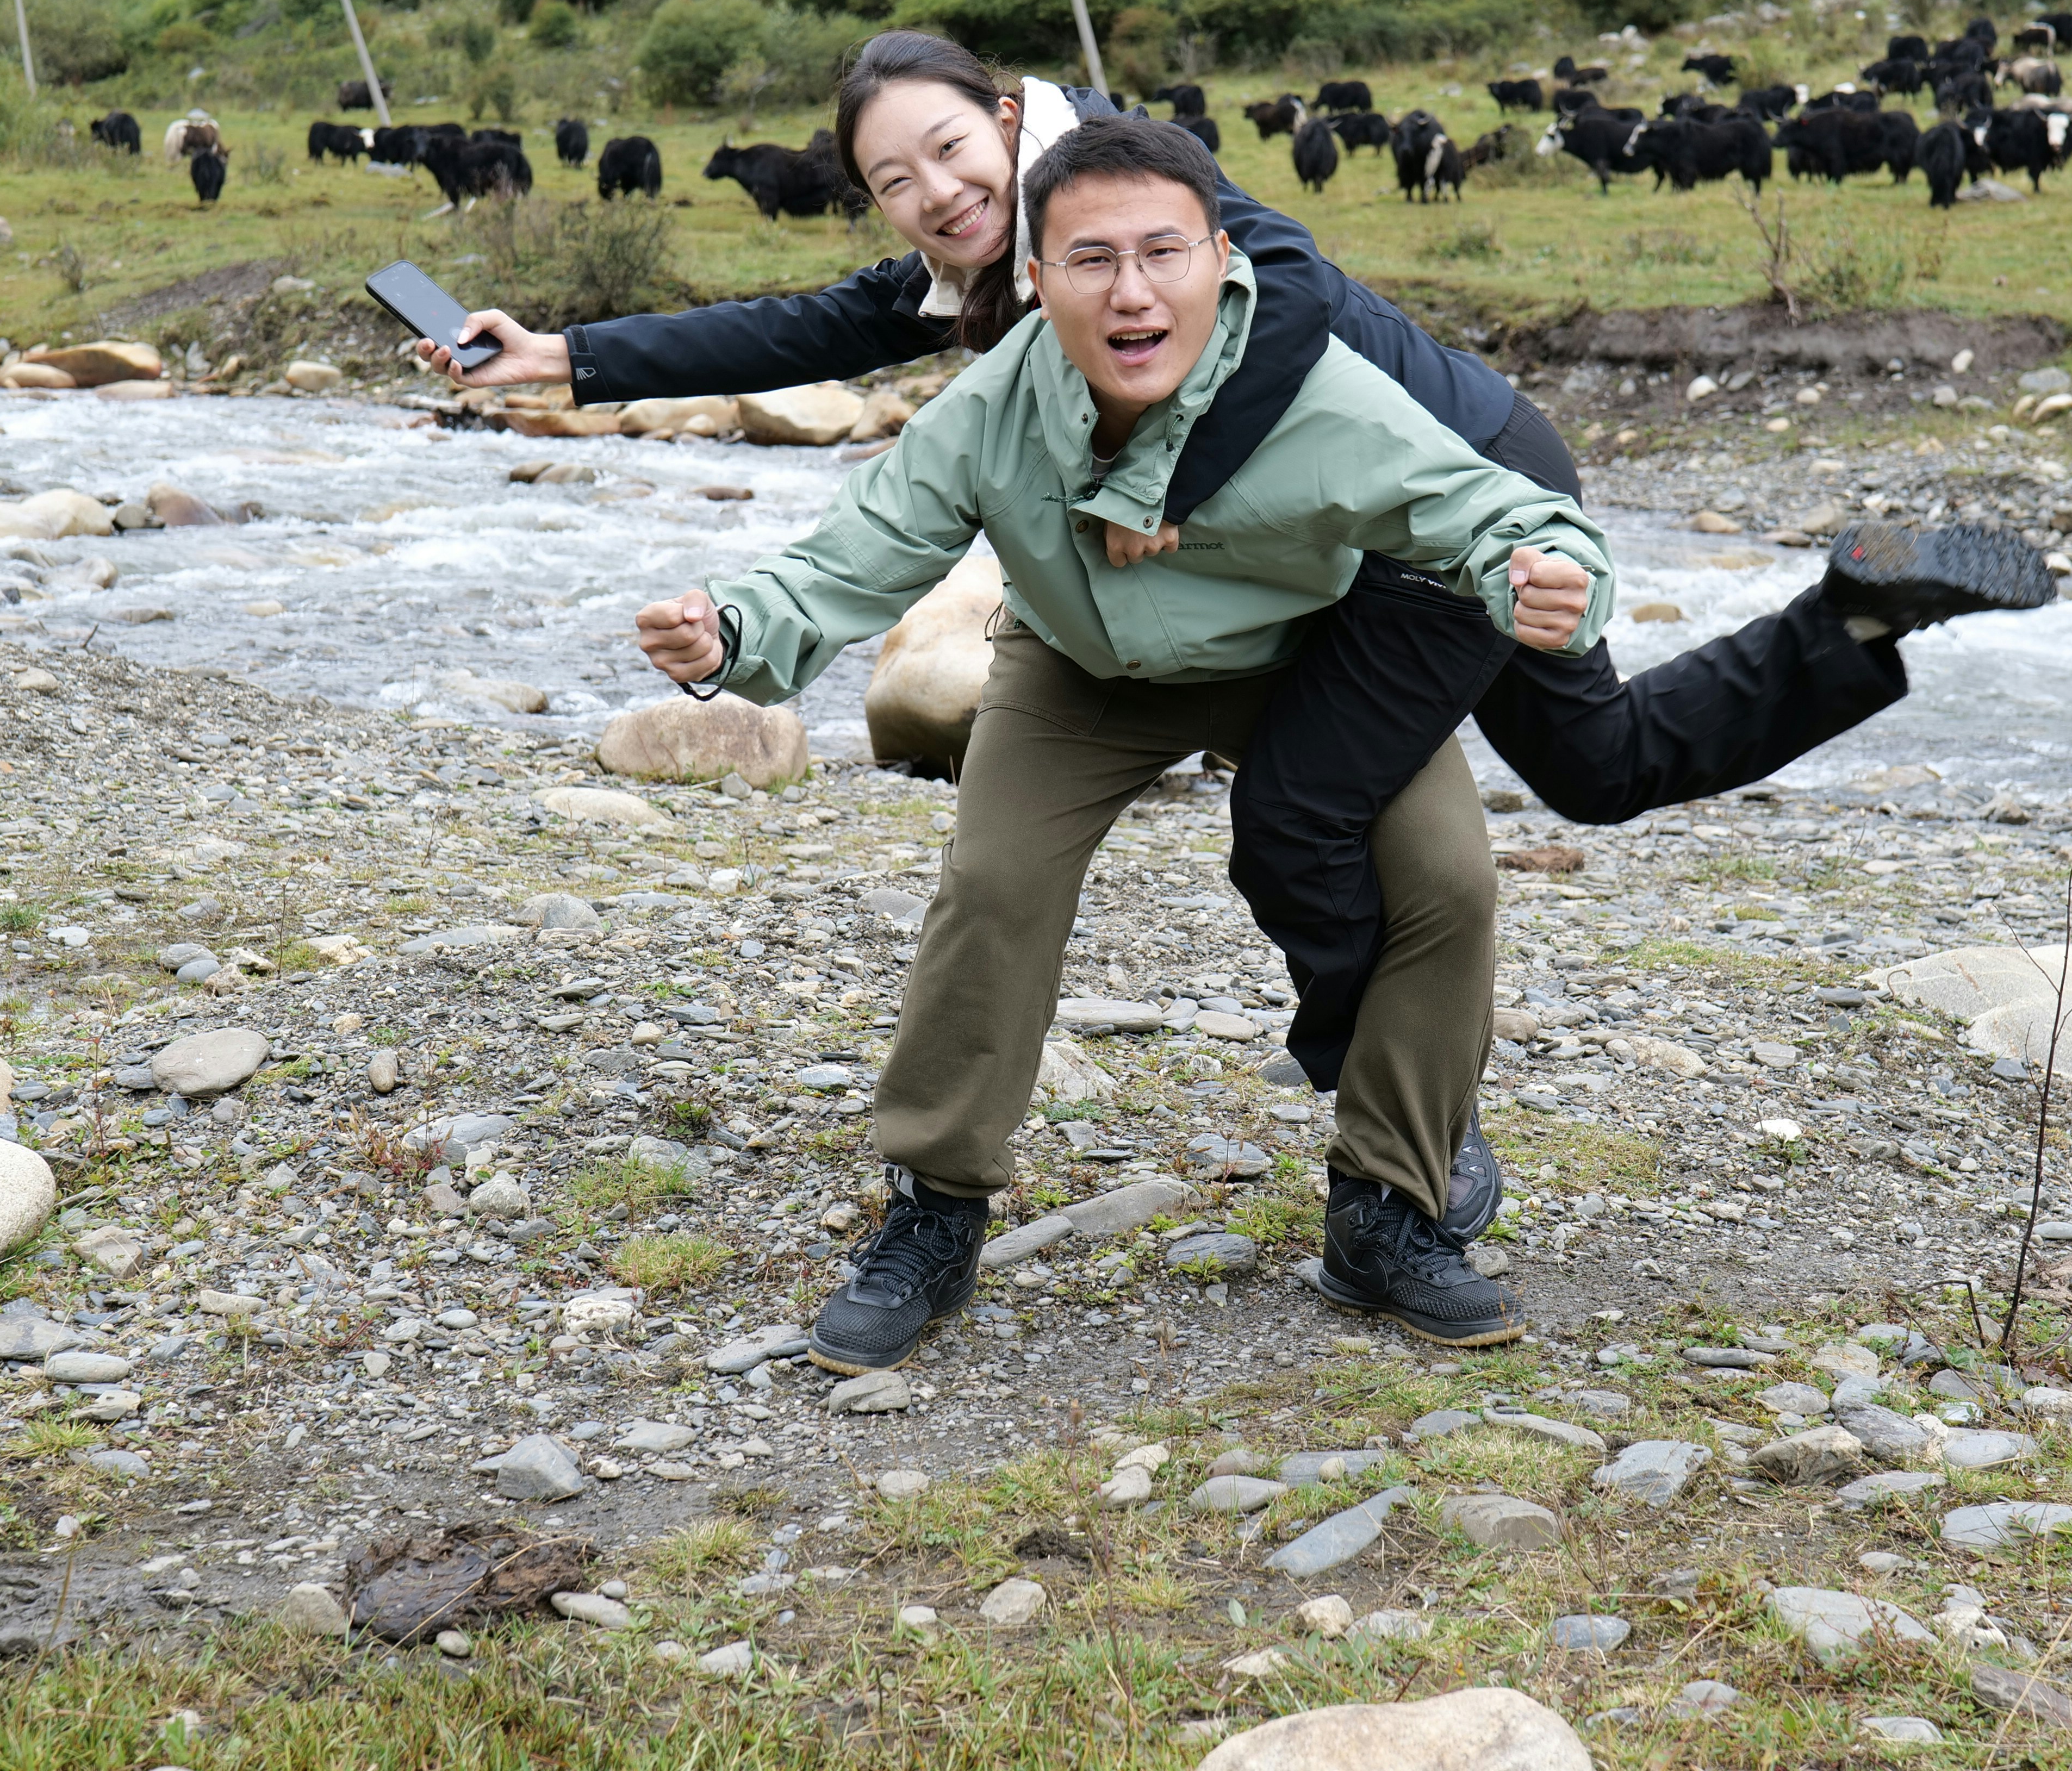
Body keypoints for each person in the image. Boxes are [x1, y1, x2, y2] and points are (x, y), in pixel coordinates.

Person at [428, 32, 2045, 1205]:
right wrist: (564, 357)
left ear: (1013, 113)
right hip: (1330, 544)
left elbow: (1294, 316)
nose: (928, 192)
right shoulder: (992, 261)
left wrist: (1148, 494)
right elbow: (804, 326)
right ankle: (1850, 621)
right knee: (1604, 764)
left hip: (1446, 508)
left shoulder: (1149, 196)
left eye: (947, 149)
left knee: (1306, 815)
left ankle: (1380, 1096)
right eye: (888, 178)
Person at [632, 116, 1614, 1368]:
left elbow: (1490, 508)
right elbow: (849, 560)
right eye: (1092, 260)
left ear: (1222, 257)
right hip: (1080, 669)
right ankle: (934, 1212)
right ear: (1035, 280)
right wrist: (729, 640)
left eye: (1163, 252)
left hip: (1301, 666)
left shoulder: (1321, 392)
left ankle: (1390, 1210)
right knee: (994, 884)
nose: (1133, 290)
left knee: (1451, 885)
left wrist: (1551, 572)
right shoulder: (992, 405)